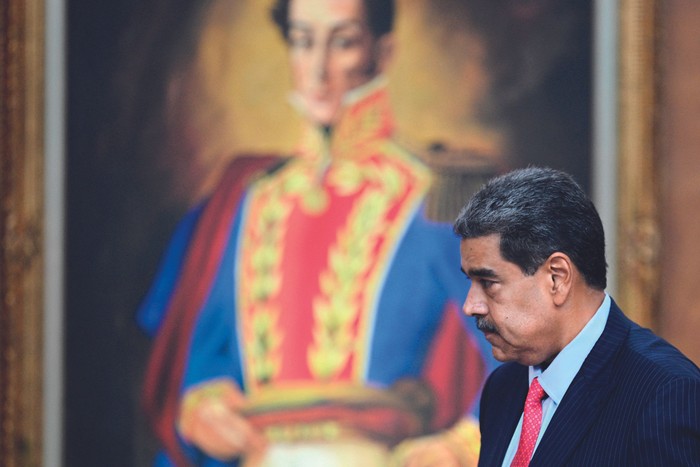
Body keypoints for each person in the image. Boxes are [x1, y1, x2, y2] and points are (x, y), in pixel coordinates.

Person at [137, 0, 497, 465]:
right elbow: (208, 357)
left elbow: (523, 354)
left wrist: (459, 446)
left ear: (382, 53)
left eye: (342, 42)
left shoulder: (435, 199)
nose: (318, 68)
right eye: (303, 41)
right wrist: (204, 404)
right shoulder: (247, 201)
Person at [453, 166, 700, 466]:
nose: (471, 306)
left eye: (488, 283)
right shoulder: (504, 388)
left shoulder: (665, 393)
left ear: (557, 278)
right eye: (470, 282)